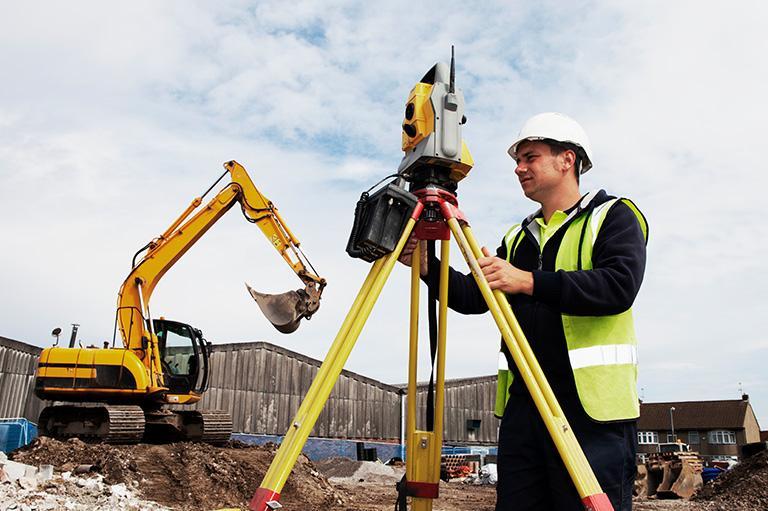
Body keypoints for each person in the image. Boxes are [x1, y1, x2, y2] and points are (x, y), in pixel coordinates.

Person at [398, 112, 648, 510]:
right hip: (525, 411)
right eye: (518, 160)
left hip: (591, 415)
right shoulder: (518, 237)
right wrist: (428, 268)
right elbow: (476, 297)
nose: (519, 168)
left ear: (567, 159)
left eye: (529, 157)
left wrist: (528, 281)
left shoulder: (613, 216)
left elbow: (618, 287)